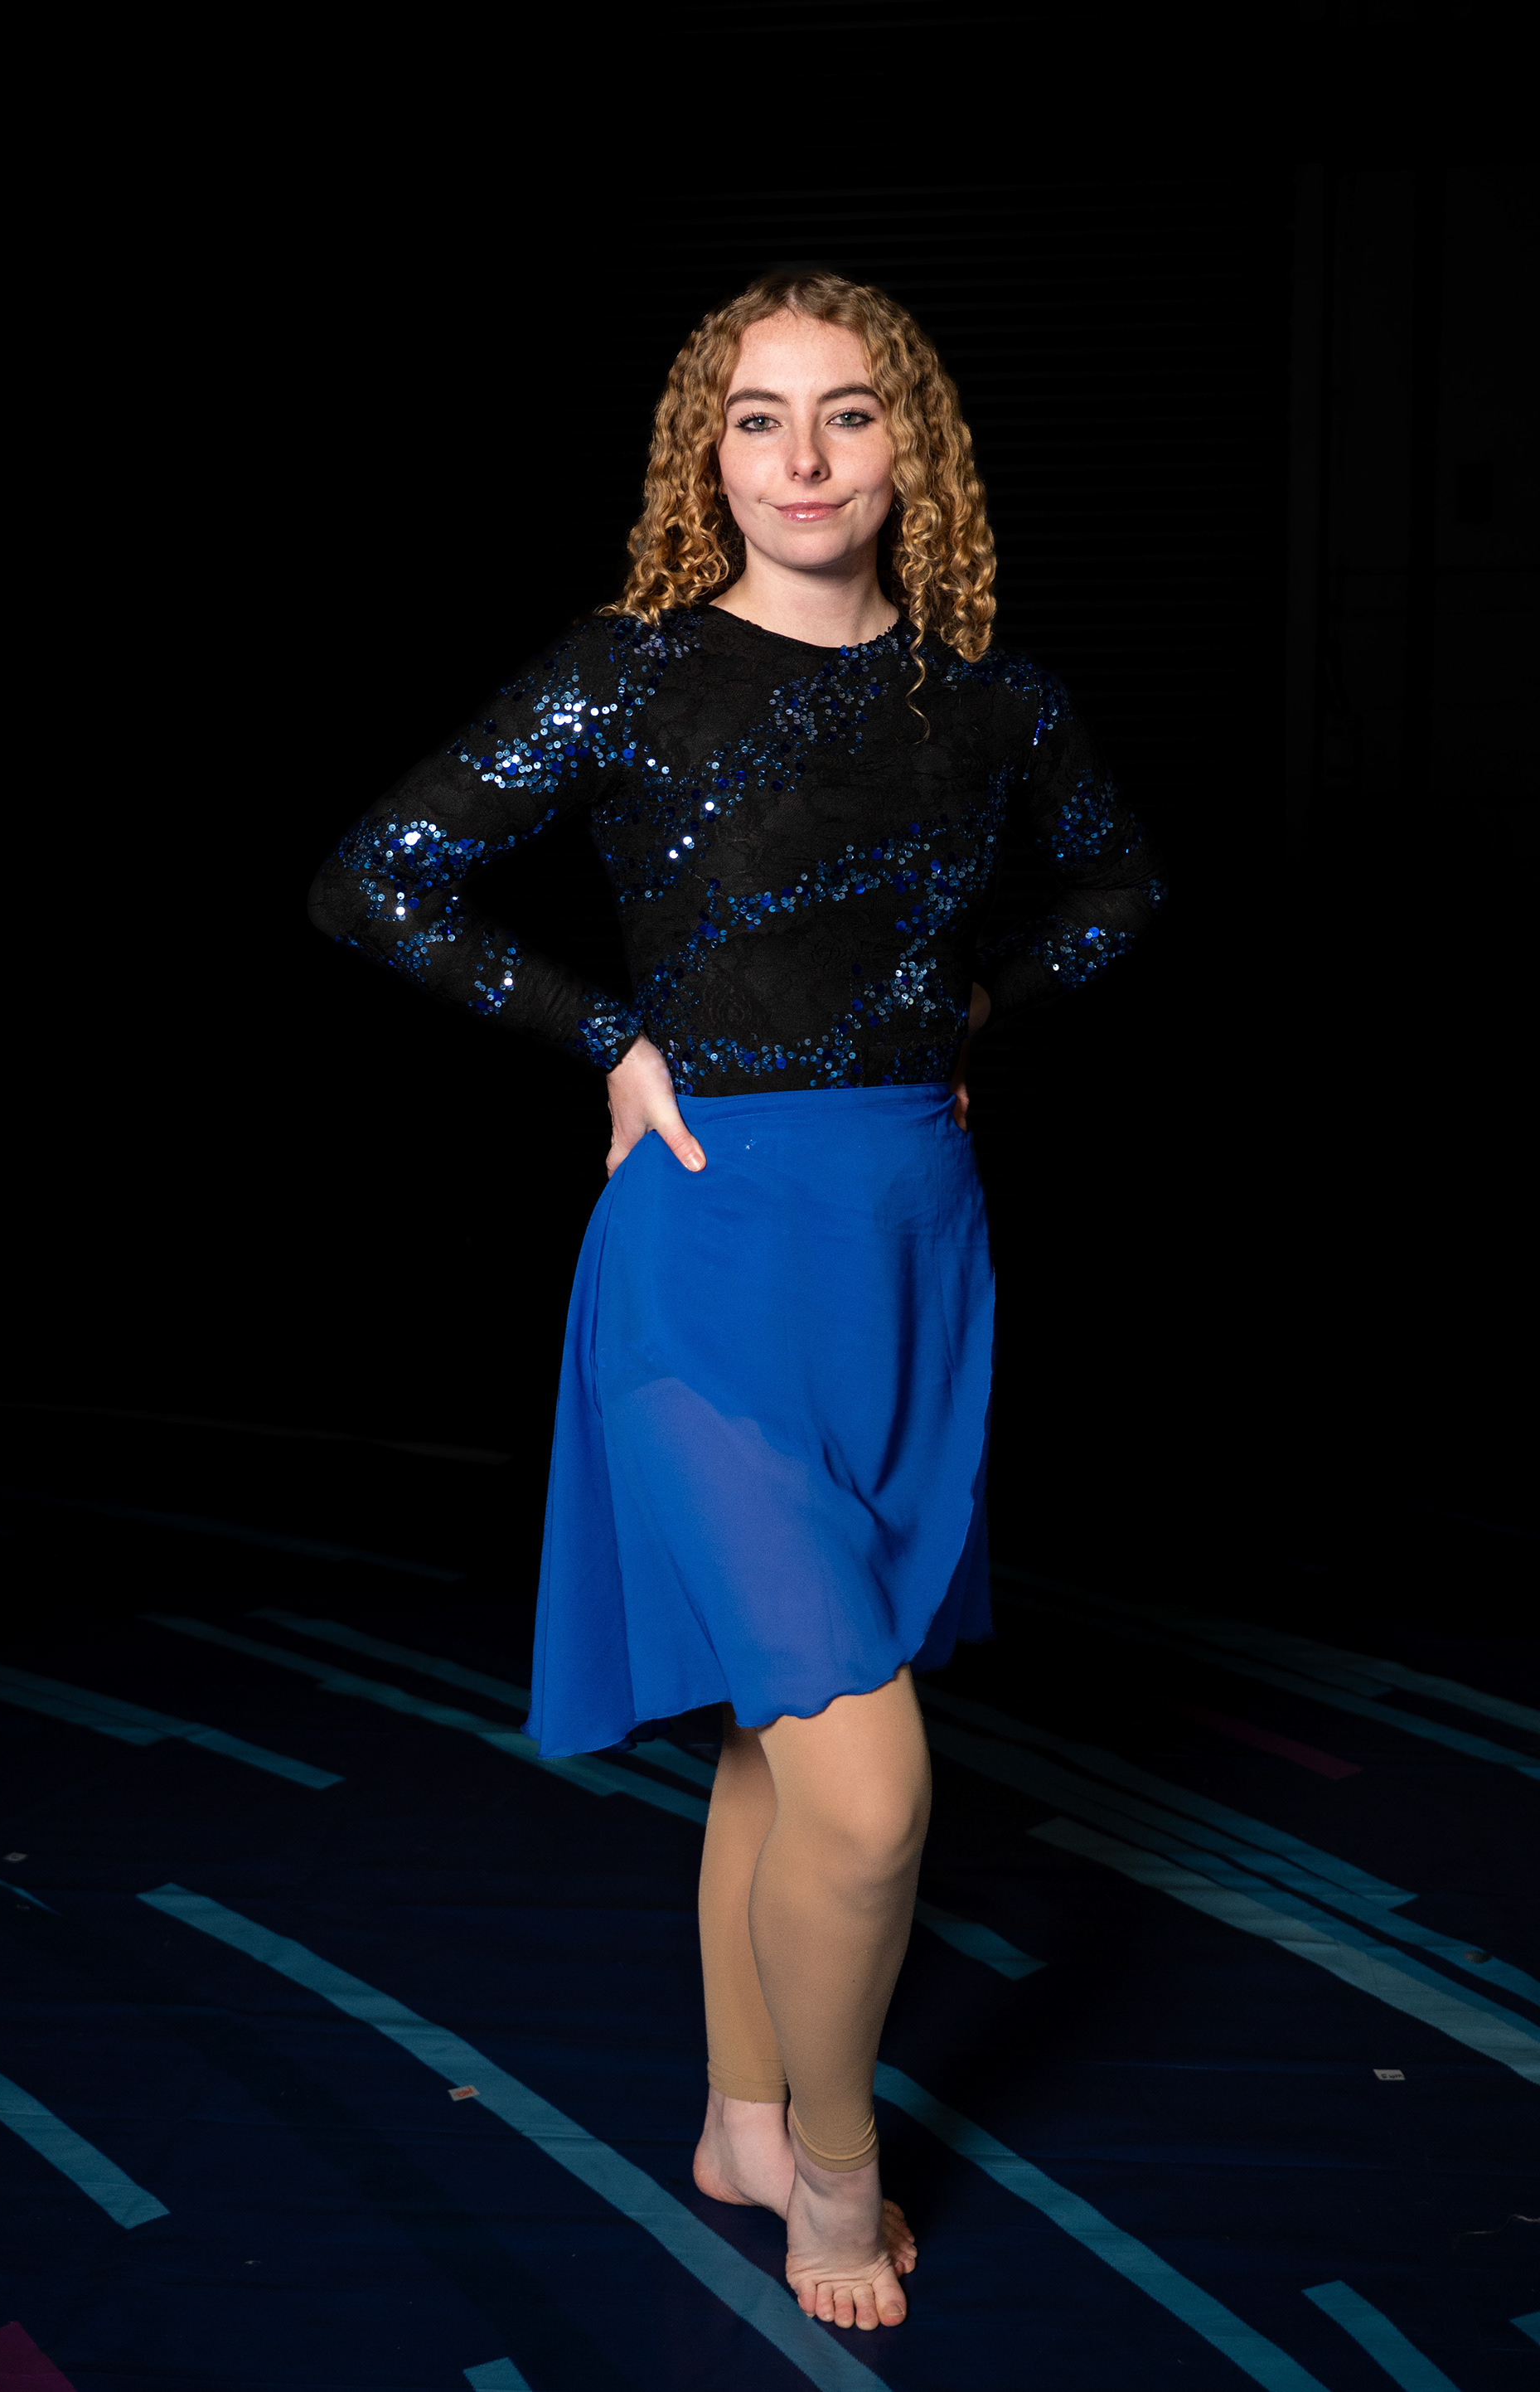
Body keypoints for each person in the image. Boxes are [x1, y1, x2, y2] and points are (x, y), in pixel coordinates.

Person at [308, 268, 1165, 2331]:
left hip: (912, 1249)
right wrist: (607, 1036)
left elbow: (1123, 887)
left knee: (784, 1752)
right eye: (758, 416)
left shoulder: (989, 698)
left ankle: (740, 2119)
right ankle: (838, 2183)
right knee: (869, 1794)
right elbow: (376, 876)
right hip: (704, 1261)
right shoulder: (632, 671)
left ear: (911, 450)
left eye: (848, 413)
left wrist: (974, 1007)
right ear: (706, 452)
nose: (803, 457)